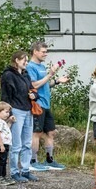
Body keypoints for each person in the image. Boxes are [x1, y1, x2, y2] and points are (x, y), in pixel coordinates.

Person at [26, 41, 69, 171]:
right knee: (37, 133)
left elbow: (44, 84)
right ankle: (33, 161)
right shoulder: (30, 67)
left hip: (46, 104)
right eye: (43, 52)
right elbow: (34, 85)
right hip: (37, 104)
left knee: (51, 132)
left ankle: (49, 160)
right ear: (35, 51)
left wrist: (56, 81)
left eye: (46, 51)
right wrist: (50, 74)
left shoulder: (42, 66)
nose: (46, 54)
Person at [0, 50, 38, 184]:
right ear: (16, 60)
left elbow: (33, 90)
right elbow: (5, 96)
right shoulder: (8, 75)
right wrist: (8, 114)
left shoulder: (26, 75)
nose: (26, 63)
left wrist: (35, 96)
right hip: (16, 110)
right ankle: (15, 172)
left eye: (27, 61)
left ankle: (26, 170)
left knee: (27, 143)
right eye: (24, 60)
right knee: (16, 144)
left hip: (28, 110)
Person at [0, 102, 14, 185]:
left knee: (4, 161)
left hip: (5, 144)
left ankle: (3, 177)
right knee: (1, 161)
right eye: (6, 112)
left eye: (8, 112)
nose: (7, 114)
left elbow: (6, 129)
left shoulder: (2, 122)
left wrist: (10, 122)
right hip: (0, 145)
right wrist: (1, 145)